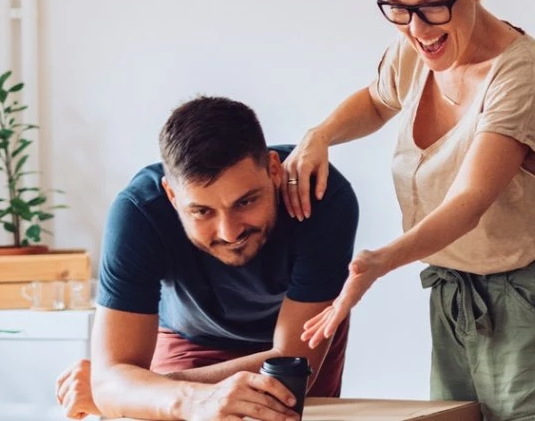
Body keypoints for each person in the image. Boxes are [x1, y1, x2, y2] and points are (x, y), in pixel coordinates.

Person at [283, 0, 535, 419]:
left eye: (433, 6)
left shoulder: (524, 74)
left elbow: (471, 198)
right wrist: (319, 135)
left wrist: (380, 262)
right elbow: (378, 100)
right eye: (398, 8)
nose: (417, 29)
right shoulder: (418, 46)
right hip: (455, 301)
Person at [54, 96, 360, 421]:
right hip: (189, 337)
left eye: (246, 202)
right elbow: (113, 377)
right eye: (202, 211)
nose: (229, 232)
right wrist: (177, 397)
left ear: (274, 170)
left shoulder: (321, 196)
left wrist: (142, 389)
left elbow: (290, 364)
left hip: (295, 342)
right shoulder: (140, 212)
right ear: (172, 195)